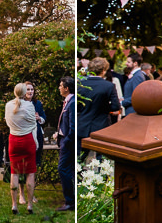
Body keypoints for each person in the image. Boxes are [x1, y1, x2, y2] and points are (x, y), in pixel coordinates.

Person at [78, 58, 120, 161]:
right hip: (102, 126)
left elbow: (78, 105)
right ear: (104, 71)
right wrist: (104, 107)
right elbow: (116, 107)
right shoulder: (109, 86)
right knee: (101, 159)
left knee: (79, 158)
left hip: (82, 124)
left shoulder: (80, 84)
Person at [5, 83, 38, 215]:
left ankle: (14, 204)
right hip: (27, 139)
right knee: (30, 172)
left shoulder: (8, 105)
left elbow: (7, 121)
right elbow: (32, 123)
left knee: (15, 172)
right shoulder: (29, 105)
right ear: (25, 93)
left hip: (13, 139)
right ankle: (29, 205)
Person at [22, 81, 46, 205]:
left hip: (36, 135)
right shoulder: (19, 104)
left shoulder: (37, 103)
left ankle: (31, 193)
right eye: (28, 89)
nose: (30, 92)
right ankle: (21, 194)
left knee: (33, 166)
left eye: (32, 89)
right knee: (23, 166)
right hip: (24, 136)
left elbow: (43, 118)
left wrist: (39, 118)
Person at [55, 76, 75, 212]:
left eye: (61, 85)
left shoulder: (72, 102)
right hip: (64, 139)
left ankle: (69, 201)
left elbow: (73, 126)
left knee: (62, 169)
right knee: (69, 170)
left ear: (67, 88)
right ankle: (71, 199)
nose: (59, 88)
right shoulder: (67, 101)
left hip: (68, 142)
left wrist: (66, 140)